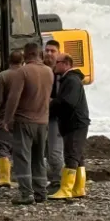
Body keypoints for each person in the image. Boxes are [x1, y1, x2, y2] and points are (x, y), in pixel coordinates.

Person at [0, 42, 54, 205]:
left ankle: (26, 194)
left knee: (23, 157)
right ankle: (41, 191)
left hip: (25, 121)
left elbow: (13, 98)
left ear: (26, 54)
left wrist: (7, 119)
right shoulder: (49, 72)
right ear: (39, 54)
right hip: (43, 121)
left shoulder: (23, 71)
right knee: (39, 158)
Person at [49, 54, 91, 199]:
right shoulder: (69, 79)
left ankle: (66, 189)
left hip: (75, 123)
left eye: (57, 62)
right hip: (76, 122)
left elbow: (68, 103)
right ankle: (79, 188)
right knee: (78, 156)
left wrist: (52, 103)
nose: (55, 65)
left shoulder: (72, 80)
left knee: (71, 155)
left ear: (66, 64)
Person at [0, 50, 24, 190]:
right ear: (23, 62)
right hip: (25, 118)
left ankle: (4, 178)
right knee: (21, 149)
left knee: (2, 147)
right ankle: (25, 180)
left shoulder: (4, 76)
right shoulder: (27, 74)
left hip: (5, 117)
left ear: (9, 61)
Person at [43, 39, 65, 192]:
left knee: (55, 153)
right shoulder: (41, 70)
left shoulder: (61, 74)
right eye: (47, 50)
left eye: (53, 51)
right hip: (40, 117)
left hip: (55, 117)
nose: (49, 53)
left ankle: (59, 181)